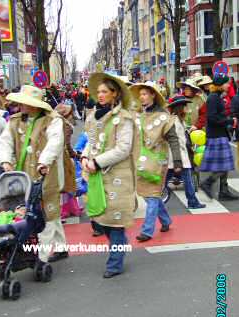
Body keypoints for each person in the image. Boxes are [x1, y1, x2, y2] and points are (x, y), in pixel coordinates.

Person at [0, 85, 68, 264]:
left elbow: (55, 142)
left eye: (25, 103)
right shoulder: (14, 120)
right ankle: (61, 247)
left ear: (35, 105)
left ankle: (42, 257)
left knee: (47, 213)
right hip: (23, 175)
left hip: (47, 173)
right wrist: (5, 160)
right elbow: (5, 141)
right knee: (48, 213)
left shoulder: (52, 120)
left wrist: (44, 161)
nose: (20, 106)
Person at [82, 73, 135, 278]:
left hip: (118, 177)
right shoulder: (95, 116)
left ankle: (115, 264)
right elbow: (90, 141)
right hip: (96, 176)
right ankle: (120, 245)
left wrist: (96, 161)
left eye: (105, 92)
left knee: (115, 222)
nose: (100, 95)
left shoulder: (124, 119)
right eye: (99, 92)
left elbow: (123, 148)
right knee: (102, 220)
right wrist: (85, 157)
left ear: (115, 94)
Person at [129, 81, 182, 242]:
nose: (142, 97)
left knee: (152, 195)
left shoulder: (165, 118)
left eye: (145, 94)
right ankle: (165, 220)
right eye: (140, 94)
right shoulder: (139, 115)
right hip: (140, 160)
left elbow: (173, 140)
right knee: (148, 195)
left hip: (158, 161)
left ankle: (147, 230)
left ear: (153, 95)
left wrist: (178, 161)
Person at [200, 75, 239, 201]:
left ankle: (224, 191)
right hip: (216, 135)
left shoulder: (217, 97)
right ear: (221, 85)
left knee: (225, 164)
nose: (229, 85)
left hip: (219, 134)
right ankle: (208, 183)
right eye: (227, 83)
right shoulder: (213, 98)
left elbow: (216, 115)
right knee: (224, 166)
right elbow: (212, 117)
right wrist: (228, 120)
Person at [167, 95, 206, 209]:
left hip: (180, 155)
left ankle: (192, 201)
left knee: (186, 179)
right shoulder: (174, 121)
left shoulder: (179, 120)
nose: (187, 109)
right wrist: (178, 160)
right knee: (168, 181)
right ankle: (192, 202)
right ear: (179, 108)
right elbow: (176, 141)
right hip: (177, 156)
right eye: (185, 106)